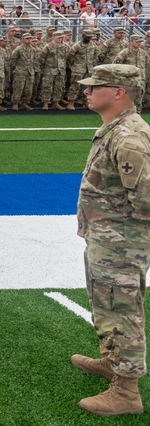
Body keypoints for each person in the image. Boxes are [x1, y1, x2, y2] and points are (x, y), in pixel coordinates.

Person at [71, 64, 150, 416]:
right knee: (107, 307)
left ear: (119, 92)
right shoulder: (115, 129)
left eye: (94, 86)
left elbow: (147, 199)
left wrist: (127, 244)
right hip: (109, 239)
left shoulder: (129, 136)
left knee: (121, 311)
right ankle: (113, 361)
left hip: (121, 244)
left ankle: (126, 393)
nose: (86, 90)